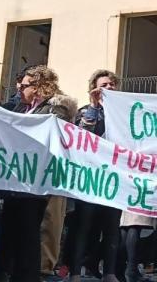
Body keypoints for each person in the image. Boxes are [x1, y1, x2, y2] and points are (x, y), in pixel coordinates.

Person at [0, 66, 76, 282]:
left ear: (38, 87)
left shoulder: (55, 109)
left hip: (40, 180)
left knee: (34, 230)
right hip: (20, 181)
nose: (19, 90)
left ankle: (34, 274)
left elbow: (50, 134)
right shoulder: (23, 108)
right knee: (17, 230)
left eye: (24, 86)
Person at [63, 70, 122, 282]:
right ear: (94, 89)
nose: (109, 88)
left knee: (111, 229)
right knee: (84, 226)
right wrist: (95, 107)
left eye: (112, 84)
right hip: (89, 180)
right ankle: (76, 271)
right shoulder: (84, 112)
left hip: (115, 180)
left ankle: (109, 272)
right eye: (104, 85)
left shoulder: (123, 114)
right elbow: (83, 135)